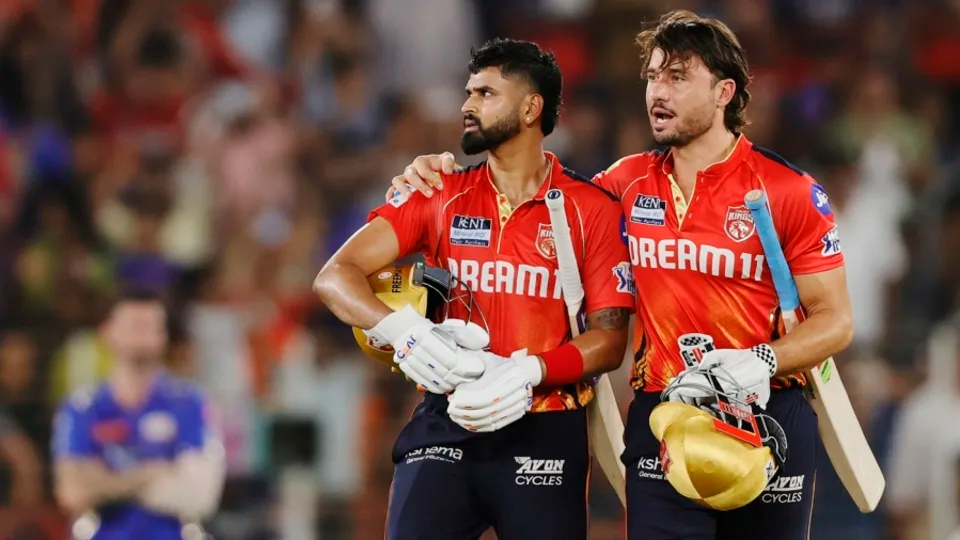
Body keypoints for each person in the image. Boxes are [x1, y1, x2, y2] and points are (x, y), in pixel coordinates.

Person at [384, 10, 854, 540]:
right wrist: (432, 175)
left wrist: (762, 360)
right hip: (664, 413)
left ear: (724, 92)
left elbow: (835, 321)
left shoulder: (788, 191)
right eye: (652, 76)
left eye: (678, 77)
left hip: (766, 411)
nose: (658, 91)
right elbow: (534, 190)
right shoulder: (622, 185)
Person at [313, 38, 634, 540]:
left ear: (531, 108)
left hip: (545, 426)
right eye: (468, 92)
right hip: (447, 419)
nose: (467, 104)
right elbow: (334, 277)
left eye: (485, 93)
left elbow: (610, 341)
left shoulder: (590, 208)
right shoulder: (437, 193)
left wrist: (529, 371)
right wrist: (404, 332)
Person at [52, 289, 226, 540]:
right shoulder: (82, 407)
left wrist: (105, 481)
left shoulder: (189, 402)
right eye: (135, 326)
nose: (143, 336)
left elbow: (201, 496)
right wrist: (152, 473)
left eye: (152, 327)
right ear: (107, 332)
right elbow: (73, 492)